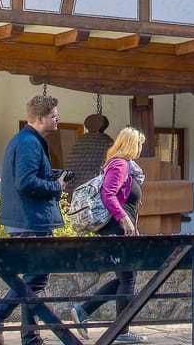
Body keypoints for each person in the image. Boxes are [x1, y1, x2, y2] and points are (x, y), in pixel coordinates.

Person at [0, 94, 72, 345]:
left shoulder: (24, 140)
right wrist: (56, 186)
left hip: (24, 218)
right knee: (36, 278)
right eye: (54, 116)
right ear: (40, 119)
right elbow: (25, 182)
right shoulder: (30, 143)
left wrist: (52, 176)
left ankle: (29, 336)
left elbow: (27, 176)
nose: (58, 119)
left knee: (34, 278)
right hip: (30, 219)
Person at [74, 126, 147, 343]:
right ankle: (121, 331)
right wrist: (123, 218)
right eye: (140, 143)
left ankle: (84, 311)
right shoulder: (120, 164)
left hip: (122, 230)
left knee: (124, 278)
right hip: (116, 229)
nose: (141, 148)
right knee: (128, 278)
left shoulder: (125, 166)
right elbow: (108, 193)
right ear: (132, 144)